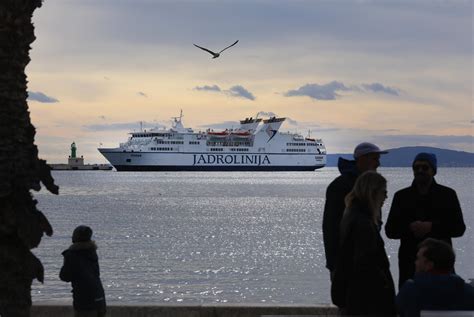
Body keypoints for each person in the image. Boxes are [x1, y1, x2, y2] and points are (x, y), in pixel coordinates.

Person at [385, 152, 466, 287]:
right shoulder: (401, 196)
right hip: (410, 263)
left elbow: (459, 228)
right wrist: (410, 228)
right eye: (416, 168)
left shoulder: (447, 195)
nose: (419, 171)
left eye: (424, 167)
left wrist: (431, 227)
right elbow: (390, 231)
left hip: (441, 264)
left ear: (433, 171)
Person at [331, 171, 396, 316]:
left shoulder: (351, 215)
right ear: (373, 193)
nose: (386, 197)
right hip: (367, 302)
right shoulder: (364, 224)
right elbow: (367, 265)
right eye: (383, 192)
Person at [323, 142, 388, 280]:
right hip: (347, 260)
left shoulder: (369, 184)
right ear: (362, 159)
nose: (378, 164)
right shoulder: (340, 186)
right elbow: (330, 227)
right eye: (375, 159)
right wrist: (334, 263)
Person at [397, 238, 474, 317]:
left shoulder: (410, 292)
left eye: (418, 259)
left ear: (429, 264)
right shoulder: (468, 293)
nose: (415, 262)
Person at [60, 225, 106, 317]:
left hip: (84, 301)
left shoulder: (71, 255)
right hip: (99, 298)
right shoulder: (92, 252)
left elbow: (64, 276)